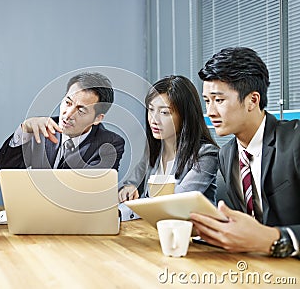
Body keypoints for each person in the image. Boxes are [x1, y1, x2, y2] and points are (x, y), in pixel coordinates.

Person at [192, 47, 300, 258]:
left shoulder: (295, 141)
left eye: (219, 100)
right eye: (207, 101)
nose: (211, 112)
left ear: (252, 100)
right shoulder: (227, 154)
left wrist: (273, 238)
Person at [118, 75, 219, 221]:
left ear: (185, 115)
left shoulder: (206, 154)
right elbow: (131, 184)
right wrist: (127, 190)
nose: (154, 120)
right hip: (158, 230)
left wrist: (122, 212)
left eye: (164, 112)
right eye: (151, 110)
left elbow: (173, 204)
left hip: (194, 236)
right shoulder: (153, 152)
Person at [0, 72, 125, 174]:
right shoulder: (41, 129)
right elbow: (1, 169)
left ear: (97, 118)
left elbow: (89, 189)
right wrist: (24, 130)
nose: (67, 115)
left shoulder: (110, 144)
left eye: (81, 110)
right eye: (67, 103)